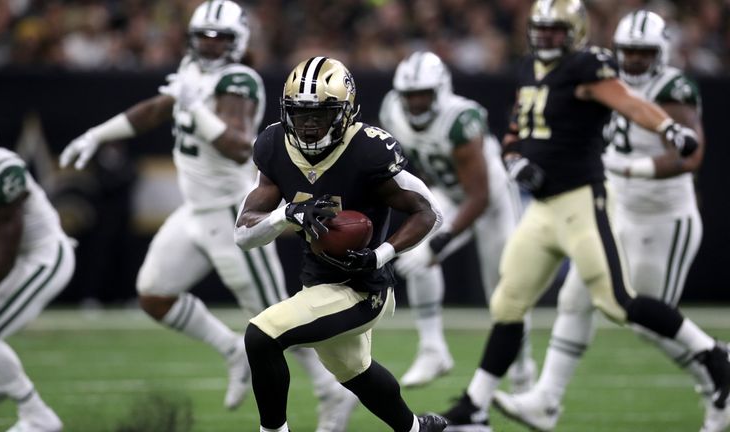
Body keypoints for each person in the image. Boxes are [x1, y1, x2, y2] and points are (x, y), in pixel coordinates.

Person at [59, 2, 358, 430]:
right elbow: (156, 109)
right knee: (154, 294)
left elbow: (238, 145)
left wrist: (195, 108)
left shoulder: (239, 80)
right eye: (205, 36)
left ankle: (333, 391)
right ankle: (232, 350)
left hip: (235, 215)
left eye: (221, 37)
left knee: (276, 318)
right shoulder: (192, 72)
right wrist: (98, 133)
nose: (211, 44)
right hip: (194, 213)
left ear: (238, 42)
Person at [437, 1, 730, 431]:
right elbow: (518, 130)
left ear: (574, 32)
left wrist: (668, 129)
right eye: (541, 28)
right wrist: (516, 160)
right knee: (508, 300)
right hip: (544, 207)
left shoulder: (586, 66)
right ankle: (474, 407)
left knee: (616, 301)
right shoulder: (528, 68)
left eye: (556, 29)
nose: (546, 37)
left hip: (582, 200)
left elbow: (628, 102)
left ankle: (712, 354)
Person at [234, 56, 448, 432]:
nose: (310, 123)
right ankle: (416, 428)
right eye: (300, 114)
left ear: (346, 113)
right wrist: (286, 215)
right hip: (317, 280)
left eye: (322, 113)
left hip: (362, 289)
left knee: (262, 335)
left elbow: (429, 213)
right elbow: (244, 234)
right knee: (356, 372)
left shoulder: (368, 151)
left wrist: (380, 255)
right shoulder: (274, 145)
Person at [379, 51, 535, 390]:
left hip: (492, 200)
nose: (417, 102)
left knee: (505, 290)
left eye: (424, 93)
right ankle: (433, 349)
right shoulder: (393, 109)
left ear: (441, 90)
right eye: (411, 94)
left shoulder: (460, 120)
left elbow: (480, 196)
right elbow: (417, 164)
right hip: (449, 193)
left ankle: (523, 368)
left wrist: (440, 239)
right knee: (416, 256)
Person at [0, 101, 75, 432]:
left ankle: (37, 415)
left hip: (43, 255)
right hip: (5, 255)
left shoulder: (2, 173)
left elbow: (6, 254)